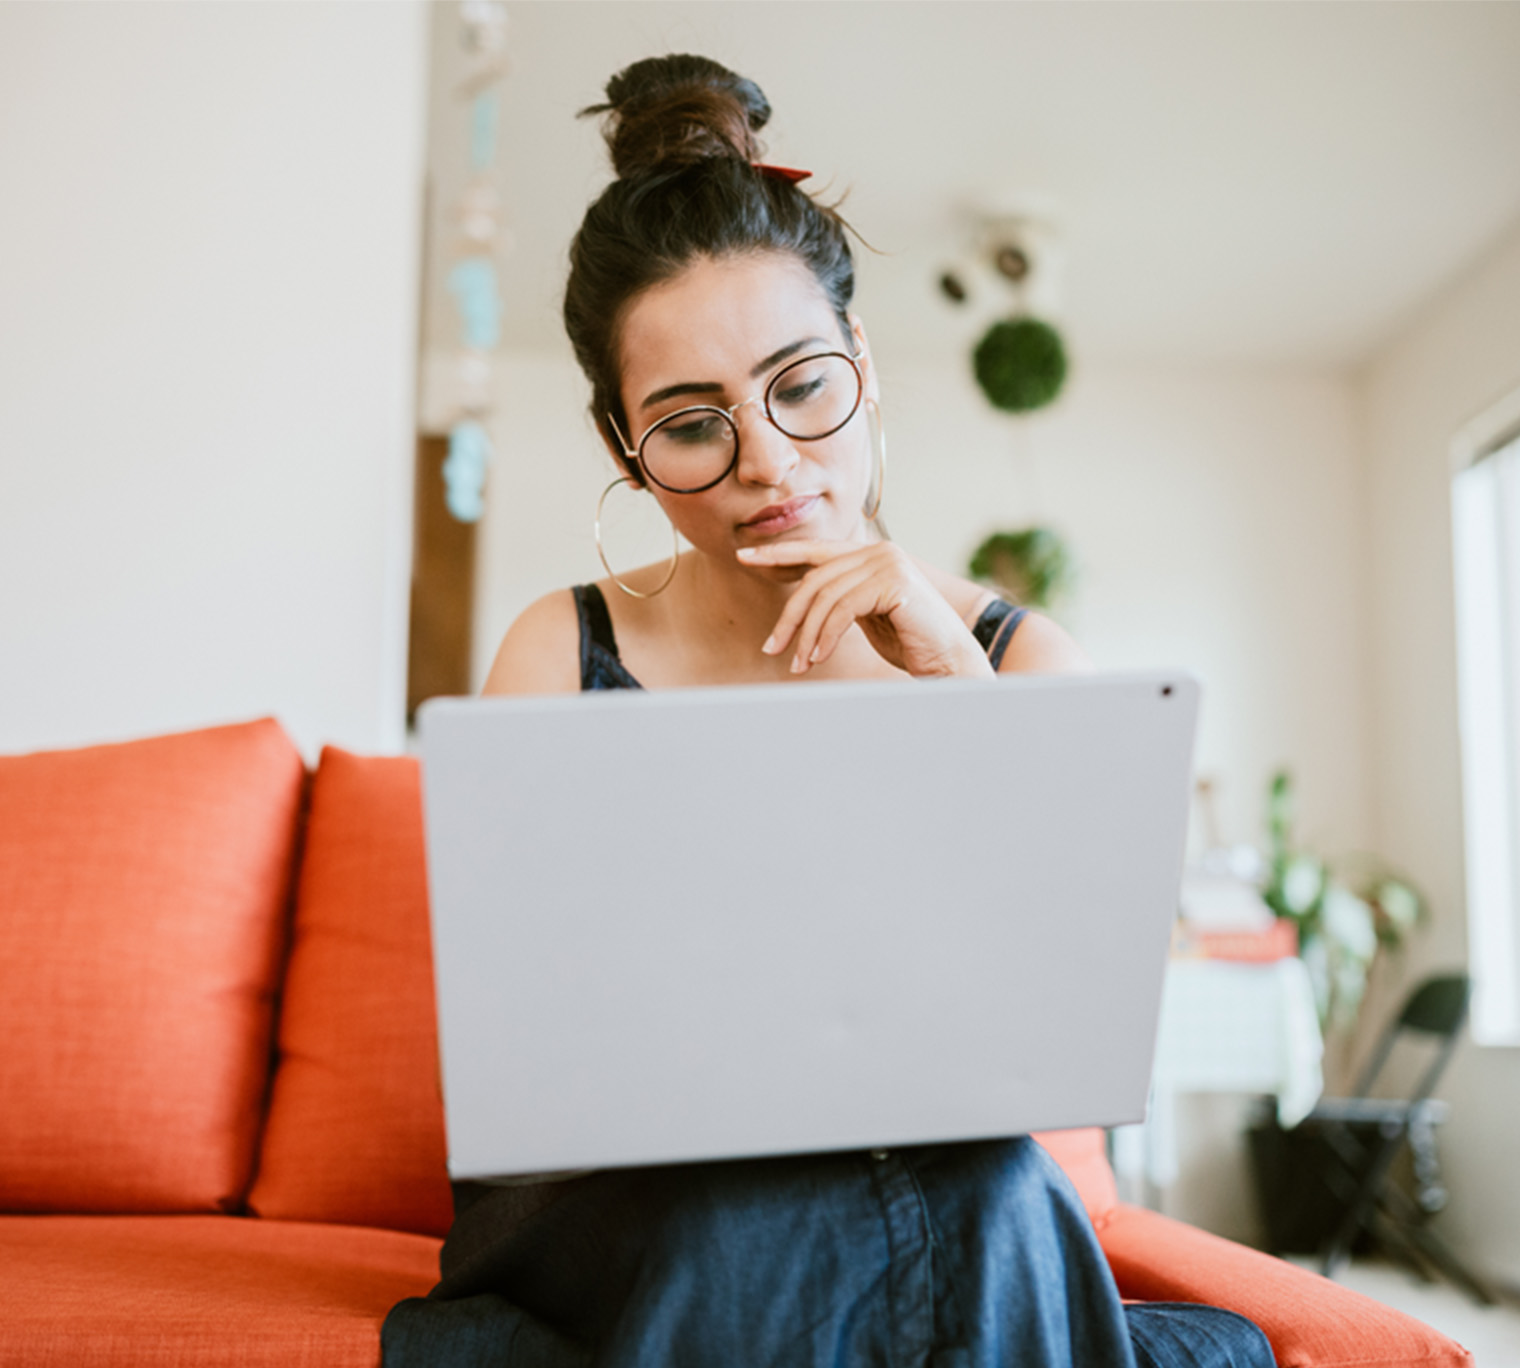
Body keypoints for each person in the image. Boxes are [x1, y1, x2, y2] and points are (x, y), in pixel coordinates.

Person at [383, 54, 1275, 1368]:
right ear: (625, 446)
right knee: (787, 1216)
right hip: (616, 1197)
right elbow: (535, 1050)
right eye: (693, 427)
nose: (771, 467)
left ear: (863, 359)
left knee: (981, 1193)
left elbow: (1061, 1024)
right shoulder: (559, 648)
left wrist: (963, 707)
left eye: (801, 388)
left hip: (935, 1170)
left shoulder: (1019, 659)